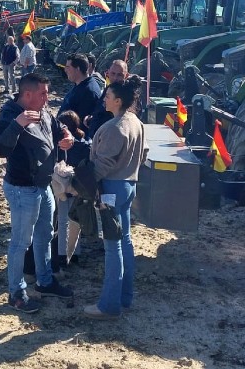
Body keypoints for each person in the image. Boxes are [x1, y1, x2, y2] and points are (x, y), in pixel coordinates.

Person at [0, 72, 75, 313]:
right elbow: (0, 148)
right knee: (21, 242)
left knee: (45, 234)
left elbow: (57, 126)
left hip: (43, 185)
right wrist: (17, 125)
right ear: (27, 94)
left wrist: (67, 136)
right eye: (43, 93)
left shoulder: (44, 111)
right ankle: (16, 292)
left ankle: (45, 281)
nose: (47, 98)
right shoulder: (9, 114)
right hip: (22, 189)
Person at [84, 75, 145, 320]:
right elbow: (144, 154)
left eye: (107, 96)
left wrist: (86, 184)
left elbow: (103, 164)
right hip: (129, 184)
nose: (104, 99)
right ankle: (125, 297)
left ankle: (109, 305)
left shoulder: (114, 127)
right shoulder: (136, 122)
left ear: (118, 101)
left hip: (111, 188)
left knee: (112, 246)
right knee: (125, 241)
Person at [54, 110, 91, 271]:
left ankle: (63, 255)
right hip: (81, 186)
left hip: (64, 186)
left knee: (63, 221)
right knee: (77, 221)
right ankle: (75, 253)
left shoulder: (63, 144)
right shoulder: (84, 142)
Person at [86, 60, 128, 139]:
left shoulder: (126, 95)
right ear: (107, 73)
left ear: (126, 75)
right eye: (113, 73)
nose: (115, 78)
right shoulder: (108, 89)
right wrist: (91, 119)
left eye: (119, 75)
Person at [60, 54, 103, 123]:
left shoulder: (89, 92)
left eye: (68, 67)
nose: (65, 70)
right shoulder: (80, 85)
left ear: (78, 69)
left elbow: (82, 124)